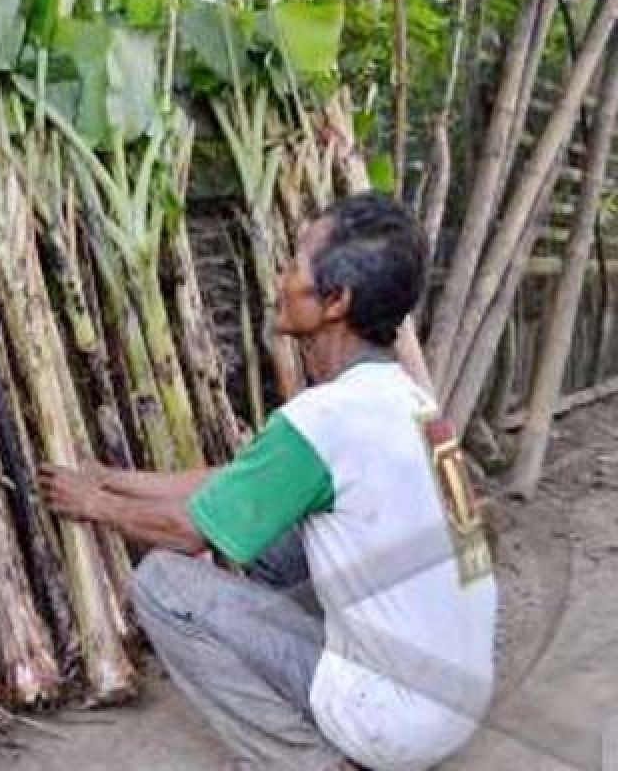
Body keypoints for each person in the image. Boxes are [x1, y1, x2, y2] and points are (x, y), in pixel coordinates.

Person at [40, 193, 497, 771]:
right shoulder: (407, 401)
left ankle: (306, 760)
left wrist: (93, 505)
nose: (280, 279)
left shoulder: (327, 419)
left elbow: (189, 532)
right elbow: (232, 487)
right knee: (278, 544)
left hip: (395, 722)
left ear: (336, 301)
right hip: (458, 703)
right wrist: (112, 481)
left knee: (162, 583)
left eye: (294, 264)